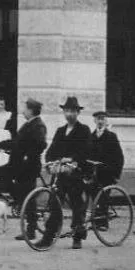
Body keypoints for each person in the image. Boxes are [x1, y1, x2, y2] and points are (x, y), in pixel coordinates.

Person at [43, 97, 93, 248]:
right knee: (55, 204)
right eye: (66, 111)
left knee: (77, 203)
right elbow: (51, 151)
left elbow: (86, 151)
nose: (69, 114)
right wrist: (50, 161)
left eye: (72, 111)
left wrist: (71, 159)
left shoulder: (83, 130)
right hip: (61, 173)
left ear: (78, 113)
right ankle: (48, 238)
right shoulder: (60, 131)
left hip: (76, 172)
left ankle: (77, 237)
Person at [0, 98, 47, 217]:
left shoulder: (38, 125)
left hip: (29, 167)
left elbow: (41, 144)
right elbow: (16, 142)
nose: (23, 112)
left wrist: (27, 155)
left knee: (28, 195)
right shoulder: (28, 124)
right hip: (19, 165)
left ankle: (31, 229)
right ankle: (19, 199)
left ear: (31, 110)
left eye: (25, 109)